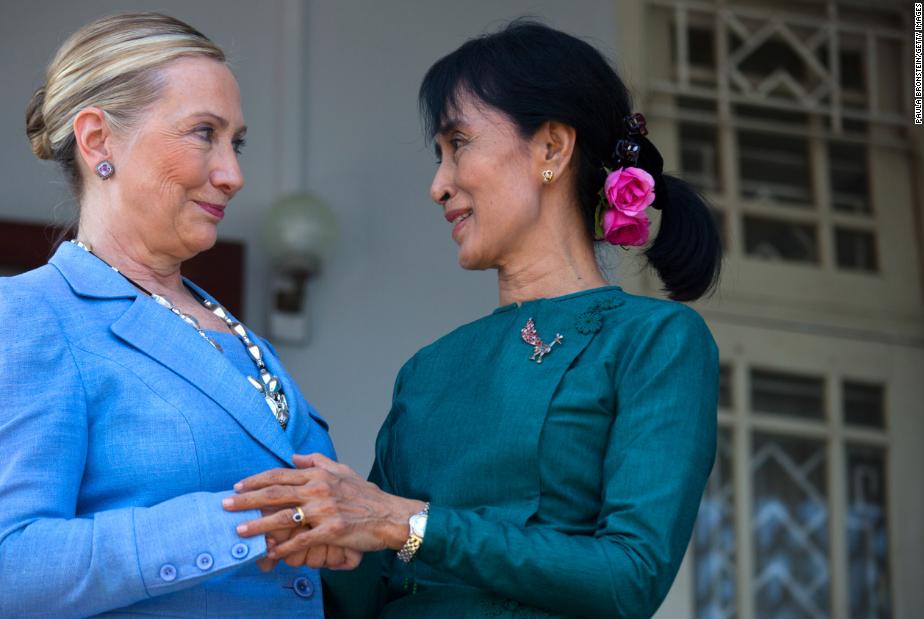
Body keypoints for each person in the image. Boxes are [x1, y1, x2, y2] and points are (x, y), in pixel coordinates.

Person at [223, 20, 722, 618]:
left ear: (551, 149)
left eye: (459, 144)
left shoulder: (654, 341)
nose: (438, 185)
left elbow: (628, 577)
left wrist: (402, 521)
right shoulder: (429, 370)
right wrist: (309, 523)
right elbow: (369, 583)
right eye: (438, 155)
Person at [0, 12, 354, 618]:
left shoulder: (249, 344)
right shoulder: (31, 314)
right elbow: (10, 566)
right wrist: (242, 523)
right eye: (203, 134)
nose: (233, 174)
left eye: (235, 141)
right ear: (97, 141)